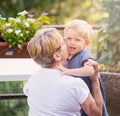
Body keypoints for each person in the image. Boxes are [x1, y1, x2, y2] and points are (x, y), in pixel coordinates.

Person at [23, 28, 102, 116]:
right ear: (57, 56)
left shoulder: (32, 79)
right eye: (64, 42)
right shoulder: (75, 85)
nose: (68, 43)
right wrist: (95, 81)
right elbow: (97, 114)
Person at [57, 19, 108, 116]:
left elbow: (90, 70)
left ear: (87, 43)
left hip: (91, 100)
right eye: (69, 38)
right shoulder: (65, 55)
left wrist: (68, 71)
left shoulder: (84, 55)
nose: (72, 43)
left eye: (77, 40)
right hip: (78, 101)